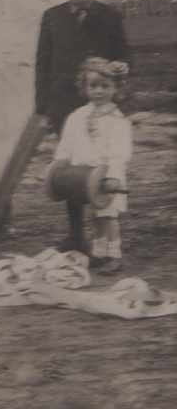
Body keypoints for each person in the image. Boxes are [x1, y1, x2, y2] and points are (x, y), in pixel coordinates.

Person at [34, 0, 130, 251]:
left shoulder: (109, 16)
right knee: (72, 170)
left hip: (100, 106)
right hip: (65, 106)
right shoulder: (52, 17)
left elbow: (124, 54)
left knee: (102, 166)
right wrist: (43, 110)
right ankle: (76, 234)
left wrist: (122, 65)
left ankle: (106, 234)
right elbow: (42, 65)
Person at [50, 58, 132, 273]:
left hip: (108, 176)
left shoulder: (117, 120)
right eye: (93, 86)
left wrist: (113, 174)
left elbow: (120, 151)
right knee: (96, 216)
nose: (99, 91)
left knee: (109, 215)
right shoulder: (78, 116)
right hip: (87, 177)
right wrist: (61, 161)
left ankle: (115, 255)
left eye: (105, 86)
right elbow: (67, 142)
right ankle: (99, 252)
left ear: (116, 88)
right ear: (85, 88)